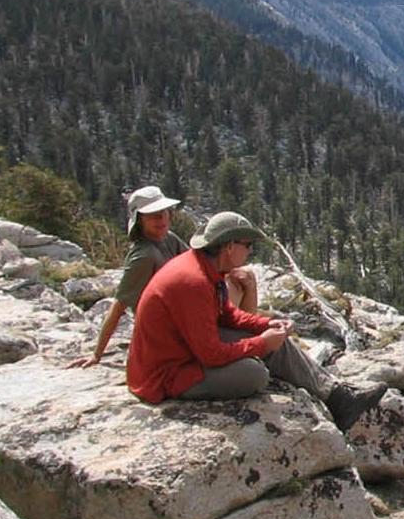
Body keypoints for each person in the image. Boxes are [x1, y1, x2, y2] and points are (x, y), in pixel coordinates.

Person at [126, 210, 386, 431]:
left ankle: (338, 396)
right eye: (247, 245)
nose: (250, 252)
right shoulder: (192, 282)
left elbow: (226, 314)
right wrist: (261, 345)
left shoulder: (206, 267)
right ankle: (335, 398)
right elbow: (210, 355)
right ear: (229, 247)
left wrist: (265, 326)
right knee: (254, 374)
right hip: (164, 373)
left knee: (276, 341)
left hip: (184, 350)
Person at [69, 185, 257, 368]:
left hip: (187, 308)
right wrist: (97, 354)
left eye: (164, 212)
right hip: (172, 323)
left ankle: (247, 340)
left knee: (243, 277)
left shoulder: (169, 239)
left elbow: (202, 263)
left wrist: (230, 270)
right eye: (153, 215)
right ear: (139, 220)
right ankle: (242, 344)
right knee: (236, 284)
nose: (161, 219)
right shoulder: (143, 256)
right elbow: (119, 305)